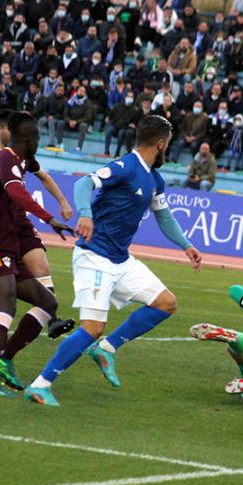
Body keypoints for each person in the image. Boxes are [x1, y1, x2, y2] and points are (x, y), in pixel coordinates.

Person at [24, 115, 203, 406]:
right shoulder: (125, 166)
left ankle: (106, 348)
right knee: (92, 327)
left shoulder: (155, 179)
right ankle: (40, 385)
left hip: (120, 260)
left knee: (166, 302)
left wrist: (187, 245)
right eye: (167, 144)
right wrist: (86, 213)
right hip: (94, 257)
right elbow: (84, 184)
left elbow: (164, 216)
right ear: (161, 143)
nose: (167, 149)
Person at [0, 111, 75, 397]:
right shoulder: (1, 159)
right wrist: (49, 218)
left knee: (48, 302)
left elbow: (33, 183)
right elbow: (17, 193)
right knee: (6, 307)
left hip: (8, 244)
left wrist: (61, 202)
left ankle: (3, 361)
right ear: (28, 139)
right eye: (37, 138)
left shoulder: (18, 160)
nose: (39, 143)